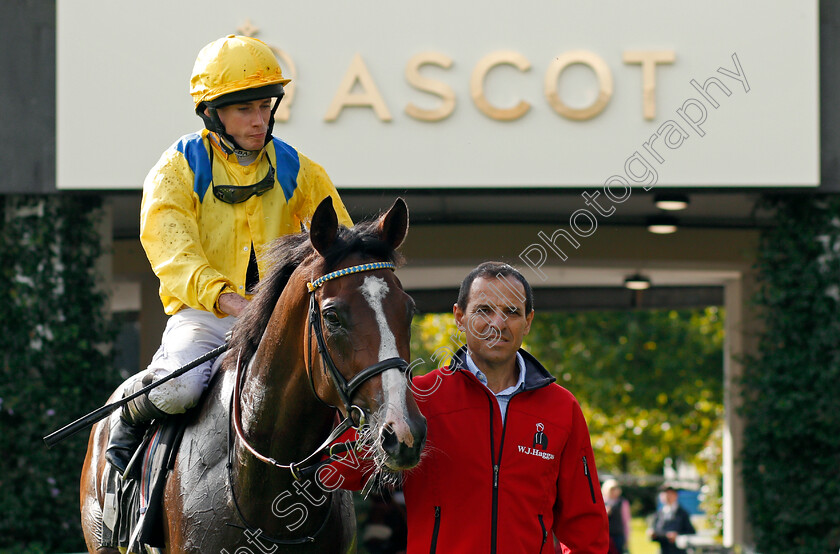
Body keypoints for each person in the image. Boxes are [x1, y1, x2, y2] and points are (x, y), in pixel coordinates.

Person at [104, 34, 352, 473]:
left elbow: (340, 248)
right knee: (178, 392)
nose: (260, 120)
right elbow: (172, 252)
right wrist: (229, 300)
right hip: (205, 318)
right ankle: (130, 409)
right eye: (244, 109)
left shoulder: (302, 171)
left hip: (278, 321)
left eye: (265, 106)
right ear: (211, 113)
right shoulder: (177, 168)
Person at [329, 261, 610, 553]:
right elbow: (339, 468)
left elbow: (587, 530)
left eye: (512, 312)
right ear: (460, 317)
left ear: (528, 322)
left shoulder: (562, 408)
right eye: (484, 310)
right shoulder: (419, 397)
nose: (497, 324)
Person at [648, 485, 696, 554]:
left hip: (677, 550)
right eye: (664, 494)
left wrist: (677, 535)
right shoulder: (660, 513)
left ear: (675, 495)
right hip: (663, 549)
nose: (667, 496)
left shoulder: (682, 513)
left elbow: (691, 531)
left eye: (669, 494)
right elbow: (655, 529)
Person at [602, 478, 632, 554]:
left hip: (618, 536)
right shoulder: (602, 502)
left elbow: (626, 521)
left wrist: (627, 538)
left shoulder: (622, 502)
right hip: (604, 536)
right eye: (612, 489)